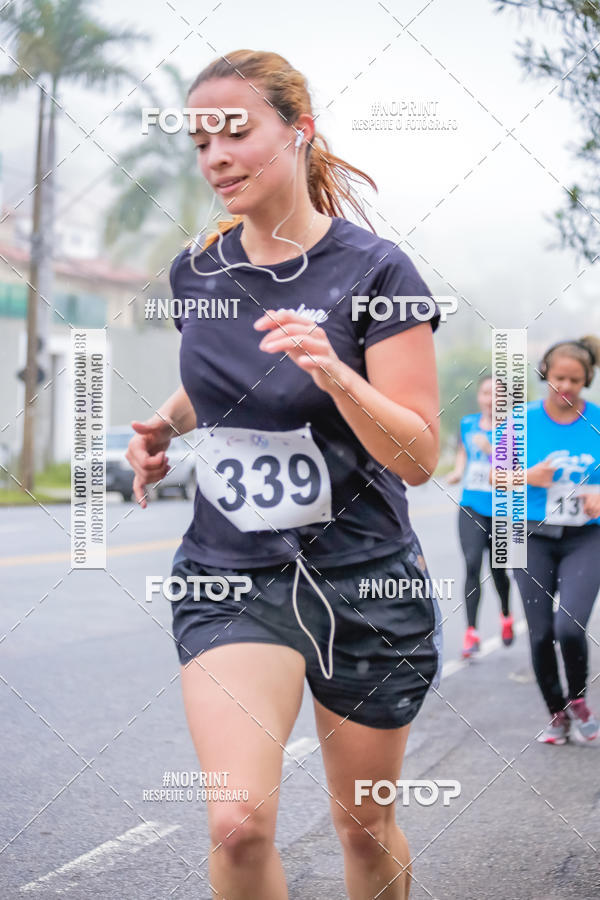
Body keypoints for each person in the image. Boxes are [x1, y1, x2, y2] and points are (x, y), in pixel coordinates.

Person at [126, 49, 443, 900]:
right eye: (200, 141)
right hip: (232, 574)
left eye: (236, 131)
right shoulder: (199, 270)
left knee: (362, 826)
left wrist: (338, 375)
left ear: (297, 133)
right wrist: (166, 421)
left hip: (364, 580)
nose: (215, 156)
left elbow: (418, 457)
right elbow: (219, 377)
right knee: (236, 825)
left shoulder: (379, 273)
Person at [511, 336, 600, 745]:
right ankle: (556, 712)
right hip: (528, 534)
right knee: (540, 632)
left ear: (587, 380)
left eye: (575, 380)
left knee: (569, 627)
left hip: (586, 536)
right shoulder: (520, 421)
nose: (565, 386)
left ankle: (578, 699)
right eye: (559, 377)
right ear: (545, 373)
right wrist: (527, 476)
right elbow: (492, 475)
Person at [447, 376, 514, 658]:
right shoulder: (468, 424)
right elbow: (463, 452)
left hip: (501, 509)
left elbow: (516, 468)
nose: (490, 399)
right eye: (486, 393)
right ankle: (471, 633)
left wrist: (492, 452)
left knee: (498, 571)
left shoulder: (513, 428)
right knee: (472, 565)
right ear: (479, 397)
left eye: (496, 394)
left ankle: (506, 614)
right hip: (471, 505)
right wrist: (458, 470)